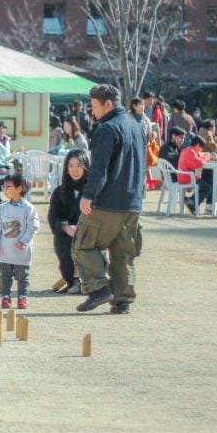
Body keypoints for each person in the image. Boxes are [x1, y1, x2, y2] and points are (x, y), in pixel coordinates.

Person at [74, 84, 146, 315]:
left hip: (107, 203)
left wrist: (88, 196)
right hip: (133, 202)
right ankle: (122, 300)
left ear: (108, 104)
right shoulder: (137, 126)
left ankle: (99, 289)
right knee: (123, 252)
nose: (93, 112)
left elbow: (99, 170)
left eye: (95, 106)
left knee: (82, 244)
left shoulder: (106, 129)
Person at [0, 174, 39, 310]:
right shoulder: (1, 208)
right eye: (3, 186)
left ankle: (22, 297)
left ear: (19, 189)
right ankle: (5, 297)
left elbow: (33, 227)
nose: (5, 189)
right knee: (5, 276)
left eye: (8, 186)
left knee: (22, 277)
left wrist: (24, 242)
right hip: (4, 251)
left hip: (21, 252)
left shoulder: (28, 209)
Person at [48, 150, 89, 295]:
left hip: (90, 232)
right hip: (68, 233)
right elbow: (53, 218)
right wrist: (65, 227)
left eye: (79, 165)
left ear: (86, 167)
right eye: (71, 166)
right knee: (63, 241)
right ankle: (74, 280)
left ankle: (89, 281)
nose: (75, 170)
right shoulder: (59, 192)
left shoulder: (94, 191)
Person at [178, 135, 215, 213]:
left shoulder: (186, 150)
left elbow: (197, 159)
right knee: (208, 186)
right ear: (198, 145)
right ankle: (193, 201)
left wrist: (202, 155)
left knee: (209, 178)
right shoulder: (190, 152)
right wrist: (207, 156)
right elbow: (199, 163)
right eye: (201, 148)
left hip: (184, 176)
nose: (200, 151)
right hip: (187, 178)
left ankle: (202, 204)